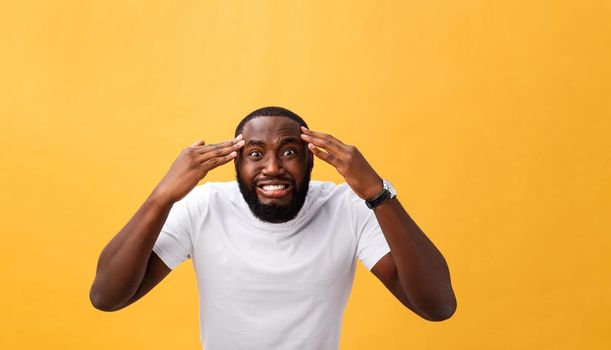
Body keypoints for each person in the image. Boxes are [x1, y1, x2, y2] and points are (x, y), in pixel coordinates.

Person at [89, 107, 456, 349]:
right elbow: (107, 297)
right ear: (234, 163)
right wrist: (162, 196)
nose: (272, 167)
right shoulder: (205, 206)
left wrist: (377, 192)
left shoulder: (348, 208)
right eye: (255, 153)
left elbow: (437, 306)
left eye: (289, 151)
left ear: (311, 159)